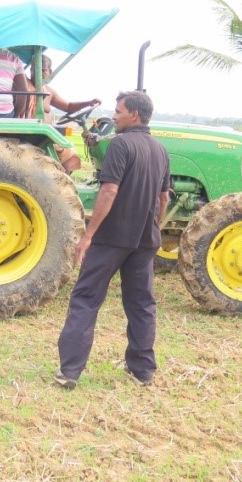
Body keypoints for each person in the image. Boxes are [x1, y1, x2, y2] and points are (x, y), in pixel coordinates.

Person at [54, 90, 170, 389]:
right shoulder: (160, 150)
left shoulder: (119, 145)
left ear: (134, 114)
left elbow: (109, 191)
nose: (114, 115)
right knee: (141, 304)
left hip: (112, 238)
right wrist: (153, 226)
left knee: (86, 299)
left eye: (118, 111)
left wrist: (88, 235)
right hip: (145, 240)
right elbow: (163, 197)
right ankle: (142, 371)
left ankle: (69, 372)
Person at [28, 55, 101, 174]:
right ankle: (60, 185)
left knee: (69, 151)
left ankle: (59, 180)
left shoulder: (48, 90)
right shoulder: (27, 87)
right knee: (70, 155)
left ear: (50, 71)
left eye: (42, 70)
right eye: (34, 69)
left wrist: (89, 102)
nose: (37, 73)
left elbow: (68, 106)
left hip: (46, 135)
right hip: (38, 136)